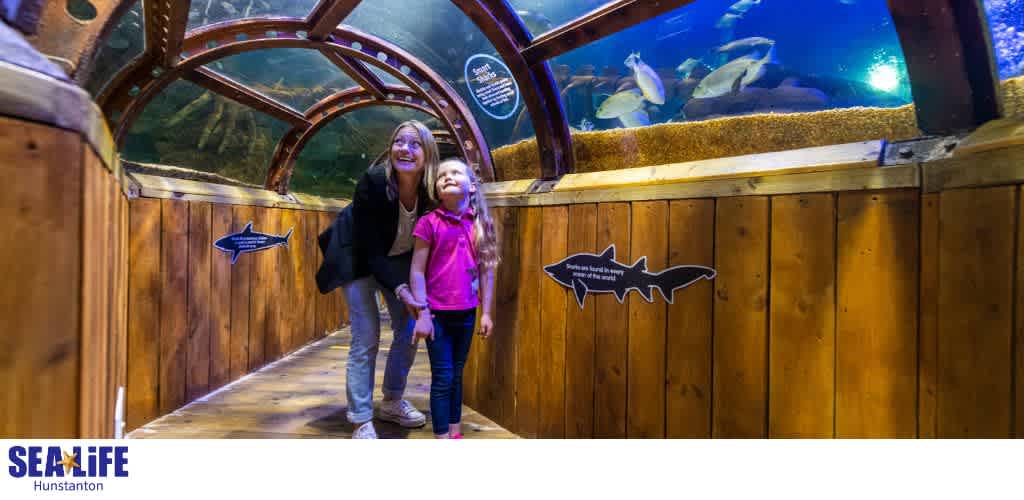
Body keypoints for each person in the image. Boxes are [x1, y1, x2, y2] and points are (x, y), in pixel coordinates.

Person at [343, 120, 439, 439]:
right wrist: (400, 289)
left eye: (414, 144)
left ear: (428, 154)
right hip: (358, 258)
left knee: (410, 328)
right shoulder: (372, 181)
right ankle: (360, 417)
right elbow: (369, 249)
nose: (404, 149)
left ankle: (392, 400)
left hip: (398, 262)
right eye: (399, 141)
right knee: (366, 335)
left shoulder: (432, 191)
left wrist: (417, 292)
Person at [409, 158, 499, 439]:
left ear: (472, 186)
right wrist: (422, 313)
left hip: (467, 313)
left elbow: (487, 271)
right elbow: (416, 270)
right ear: (436, 188)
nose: (447, 177)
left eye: (456, 172)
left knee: (457, 374)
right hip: (437, 314)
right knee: (443, 377)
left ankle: (454, 432)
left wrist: (486, 312)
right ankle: (441, 437)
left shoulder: (481, 224)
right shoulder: (428, 223)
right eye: (442, 175)